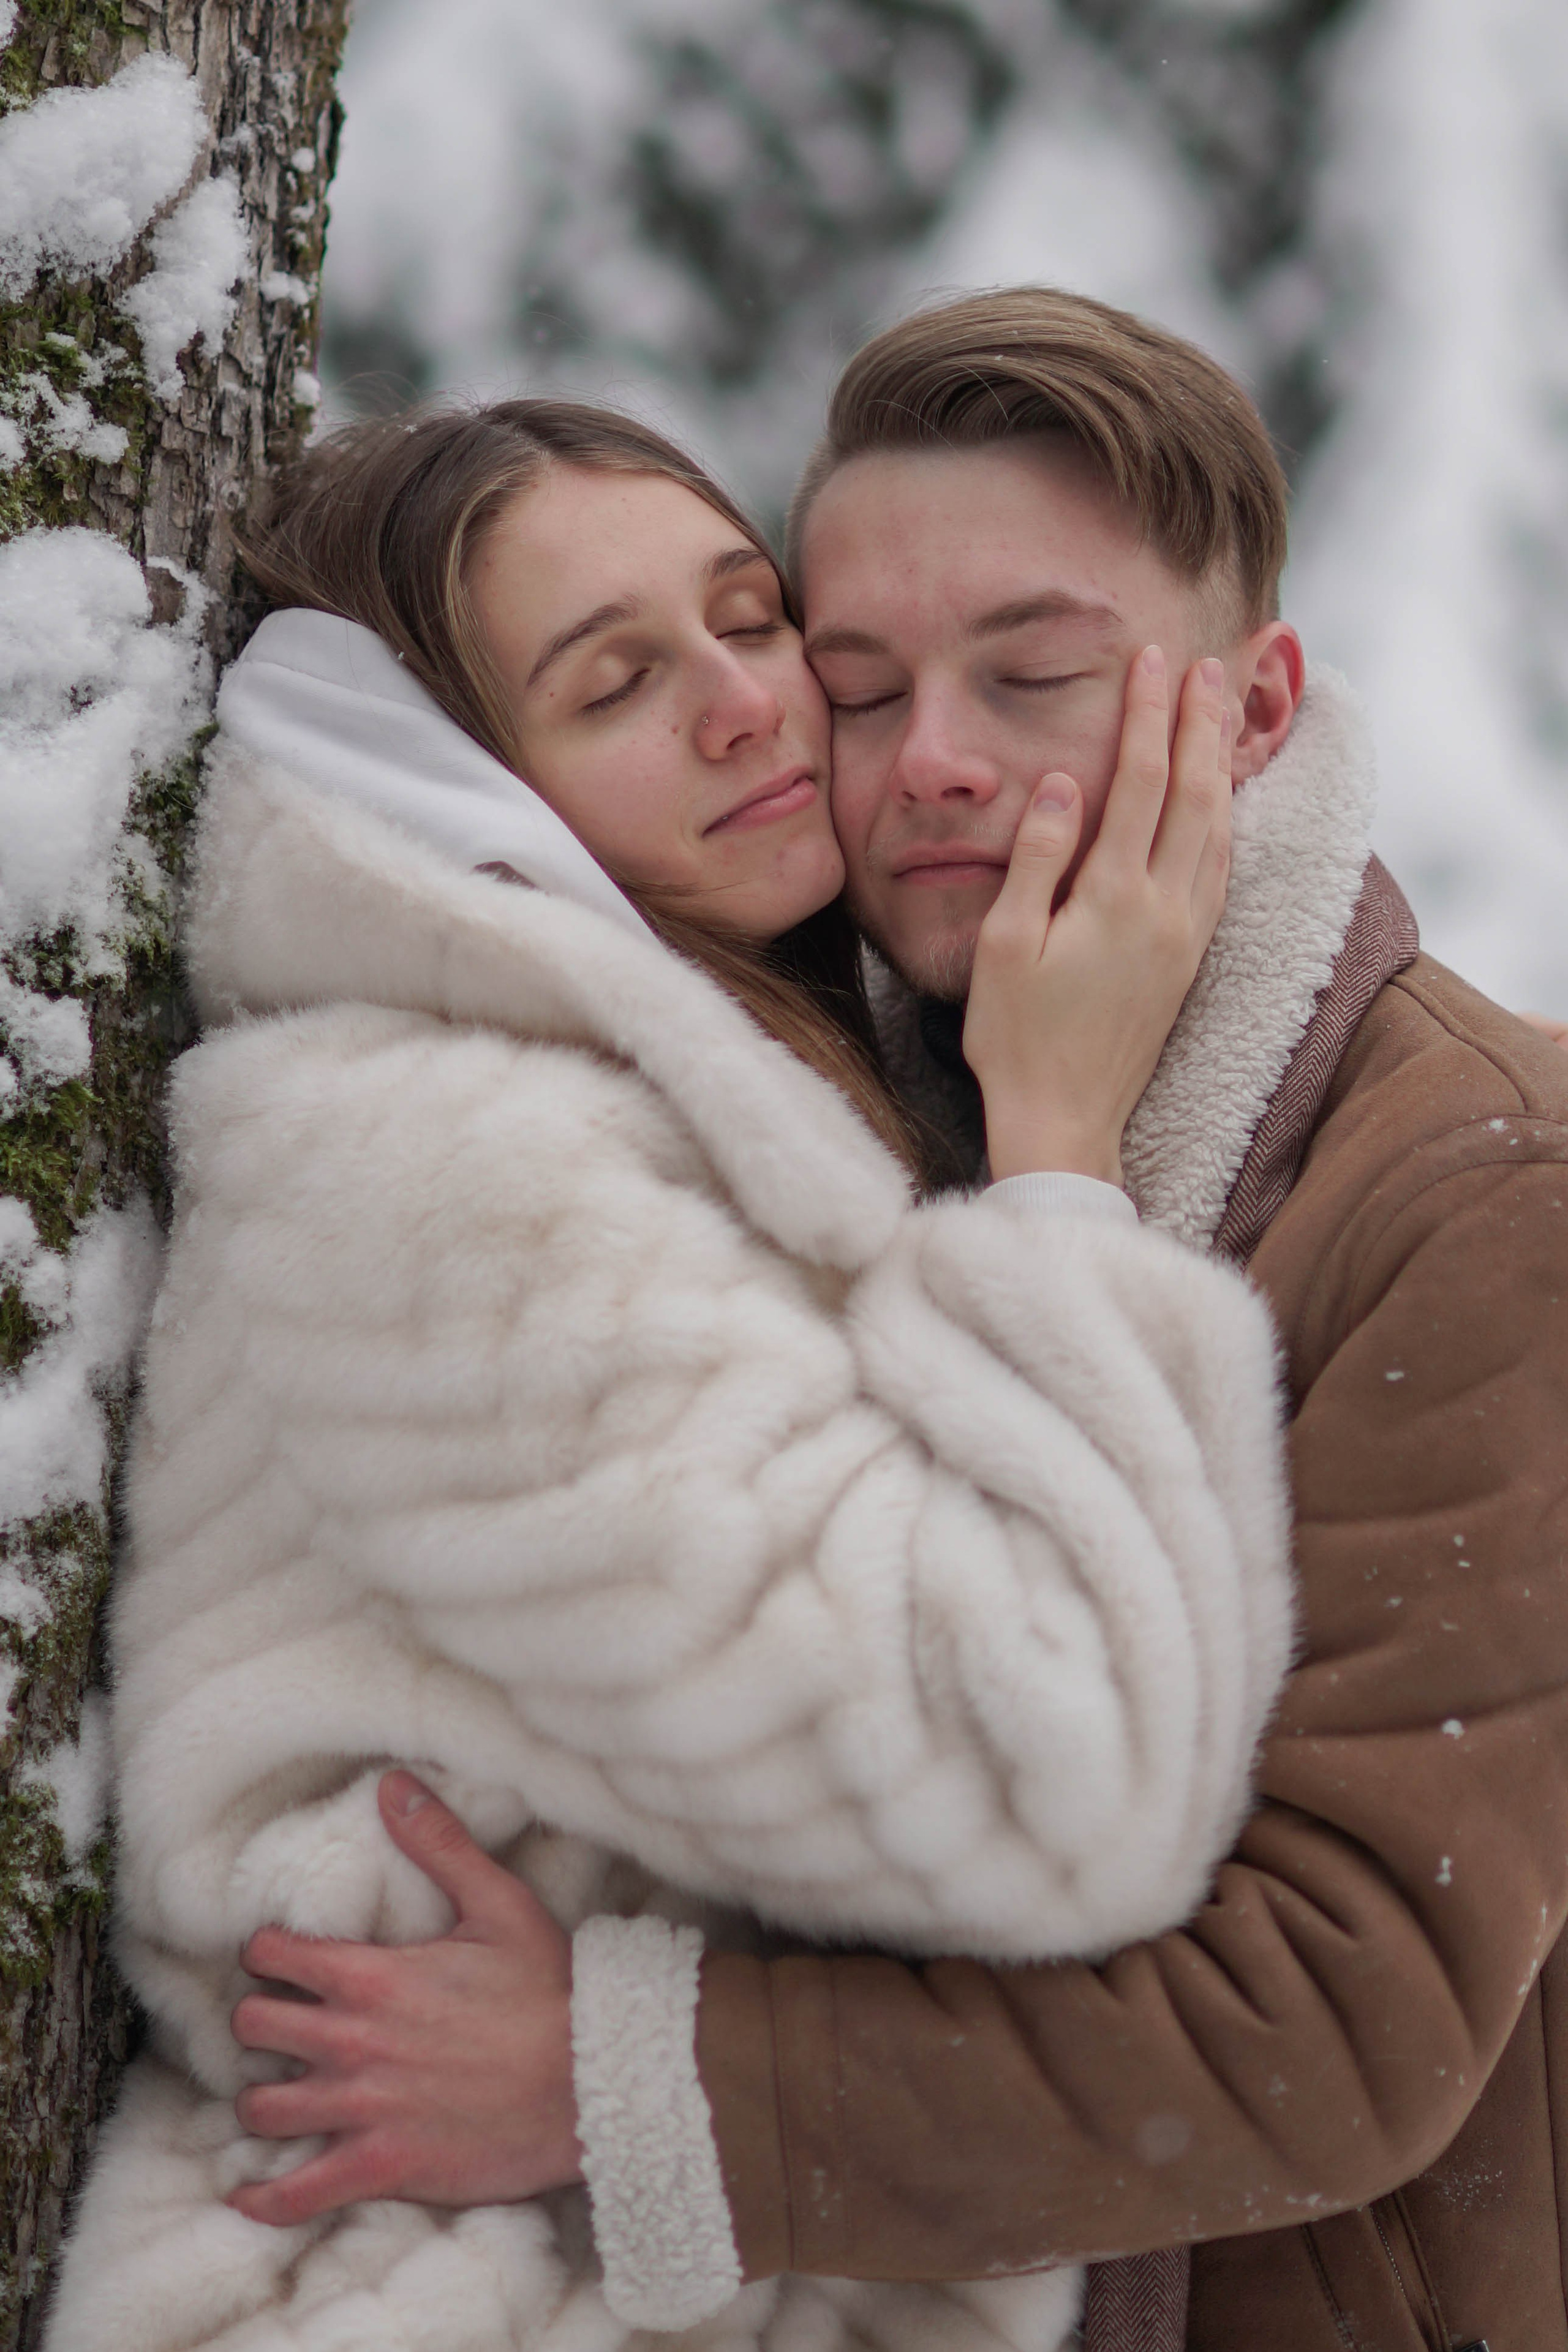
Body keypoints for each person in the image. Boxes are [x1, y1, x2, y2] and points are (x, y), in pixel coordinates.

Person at [195, 292, 1568, 2352]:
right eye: (857, 680)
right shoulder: (826, 1075)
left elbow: (1338, 2013)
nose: (926, 762)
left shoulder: (1477, 1191)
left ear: (1255, 710)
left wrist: (625, 2080)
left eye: (1033, 677)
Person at [43, 399, 1295, 2352]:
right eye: (617, 680)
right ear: (460, 781)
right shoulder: (449, 1178)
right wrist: (1060, 1161)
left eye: (747, 616)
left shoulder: (689, 1071)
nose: (745, 707)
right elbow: (1063, 1772)